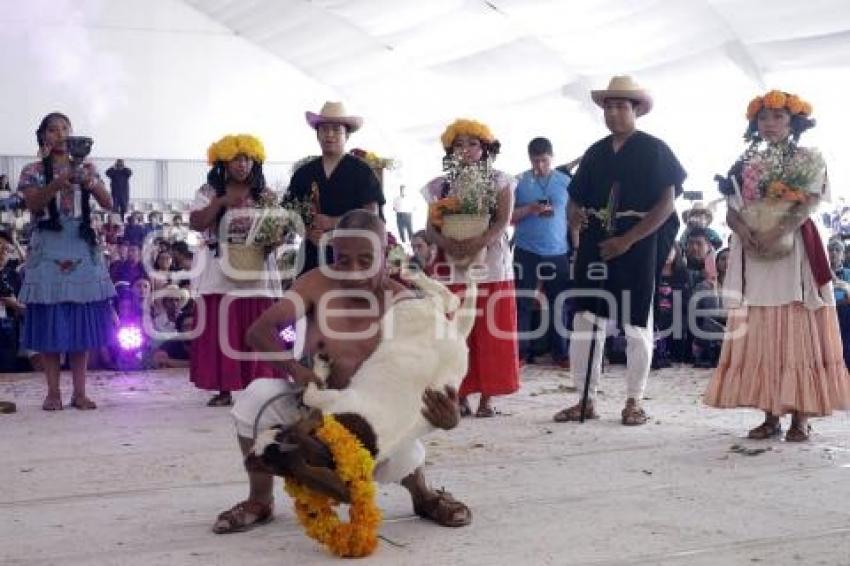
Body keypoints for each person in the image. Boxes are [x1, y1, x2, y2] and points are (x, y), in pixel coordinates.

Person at [212, 209, 471, 533]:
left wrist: (450, 418)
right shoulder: (315, 283)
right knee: (254, 399)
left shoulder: (403, 303)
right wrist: (294, 369)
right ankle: (260, 500)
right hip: (311, 406)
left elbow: (433, 377)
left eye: (365, 260)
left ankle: (424, 494)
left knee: (405, 452)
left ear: (385, 255)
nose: (353, 272)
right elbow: (259, 331)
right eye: (343, 259)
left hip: (372, 420)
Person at [705, 89, 850, 441]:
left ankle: (801, 417)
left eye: (778, 117)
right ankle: (770, 416)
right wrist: (742, 229)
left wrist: (777, 231)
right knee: (761, 328)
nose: (769, 124)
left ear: (794, 122)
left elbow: (808, 204)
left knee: (797, 325)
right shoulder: (745, 162)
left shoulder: (808, 157)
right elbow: (731, 208)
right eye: (763, 118)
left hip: (793, 248)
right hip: (754, 251)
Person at [551, 76, 686, 425]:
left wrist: (628, 240)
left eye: (620, 106)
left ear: (636, 110)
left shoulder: (655, 149)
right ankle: (584, 398)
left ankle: (633, 402)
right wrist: (575, 218)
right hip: (596, 241)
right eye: (608, 107)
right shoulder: (595, 152)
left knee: (636, 320)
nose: (613, 113)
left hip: (638, 242)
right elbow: (574, 198)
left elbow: (666, 204)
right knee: (585, 318)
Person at [17, 112, 116, 410]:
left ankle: (80, 392)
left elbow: (109, 203)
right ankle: (53, 392)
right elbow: (33, 204)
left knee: (80, 321)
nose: (59, 134)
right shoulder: (32, 169)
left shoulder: (87, 167)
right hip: (48, 245)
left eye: (65, 128)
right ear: (43, 135)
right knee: (50, 319)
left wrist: (90, 183)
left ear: (73, 134)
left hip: (82, 244)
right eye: (53, 129)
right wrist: (58, 183)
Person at [423, 118, 519, 418]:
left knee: (491, 331)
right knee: (455, 330)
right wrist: (447, 243)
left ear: (486, 147)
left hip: (490, 264)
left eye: (472, 143)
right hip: (450, 265)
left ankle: (488, 398)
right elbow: (429, 228)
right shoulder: (440, 186)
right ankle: (459, 393)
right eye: (459, 144)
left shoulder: (502, 180)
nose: (465, 150)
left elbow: (504, 220)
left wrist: (479, 241)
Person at [188, 134, 283, 407]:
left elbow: (278, 232)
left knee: (258, 324)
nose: (242, 165)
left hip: (256, 271)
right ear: (224, 162)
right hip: (219, 271)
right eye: (236, 159)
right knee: (221, 326)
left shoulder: (265, 195)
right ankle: (224, 388)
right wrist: (220, 202)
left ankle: (263, 386)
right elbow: (196, 223)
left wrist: (273, 238)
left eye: (247, 159)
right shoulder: (208, 191)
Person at [284, 101, 384, 275]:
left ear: (347, 135)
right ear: (317, 134)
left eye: (336, 129)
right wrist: (307, 232)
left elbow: (372, 214)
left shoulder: (361, 171)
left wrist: (334, 222)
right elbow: (288, 214)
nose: (329, 135)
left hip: (352, 257)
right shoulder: (303, 173)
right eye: (324, 129)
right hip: (311, 259)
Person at [511, 136, 577, 368]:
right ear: (529, 159)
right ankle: (520, 353)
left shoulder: (565, 181)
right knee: (523, 303)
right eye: (535, 161)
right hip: (525, 250)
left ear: (552, 157)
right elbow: (508, 218)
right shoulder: (518, 182)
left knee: (559, 303)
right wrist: (529, 208)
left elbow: (573, 217)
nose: (540, 166)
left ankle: (561, 353)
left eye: (544, 161)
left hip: (558, 251)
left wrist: (576, 247)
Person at [0, 229, 26, 372]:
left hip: (9, 327)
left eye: (5, 248)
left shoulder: (13, 274)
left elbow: (25, 308)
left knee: (7, 367)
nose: (1, 251)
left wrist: (14, 304)